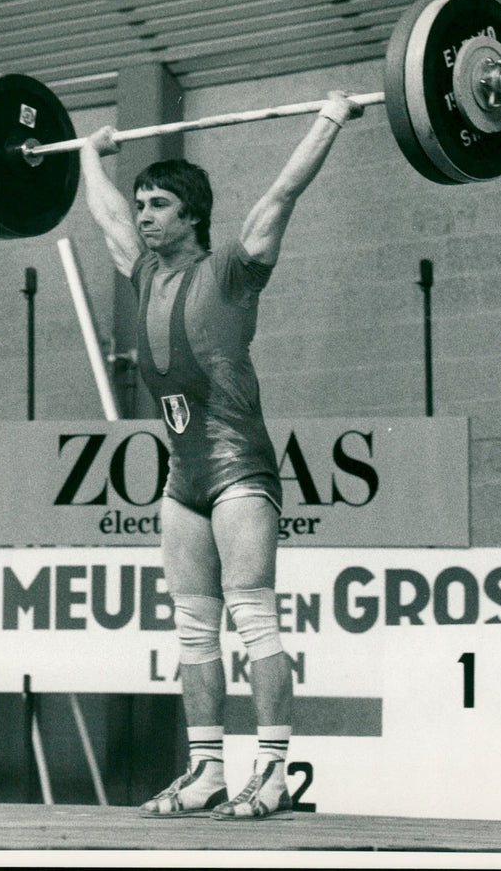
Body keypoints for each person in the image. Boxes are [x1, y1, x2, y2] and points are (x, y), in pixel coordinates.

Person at [80, 90, 364, 820]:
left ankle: (271, 768)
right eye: (141, 202)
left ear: (191, 216)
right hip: (183, 480)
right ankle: (206, 767)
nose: (142, 214)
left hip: (241, 471)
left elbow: (282, 193)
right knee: (192, 628)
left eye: (157, 205)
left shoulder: (234, 268)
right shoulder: (143, 274)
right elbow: (106, 216)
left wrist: (329, 116)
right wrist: (88, 154)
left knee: (254, 618)